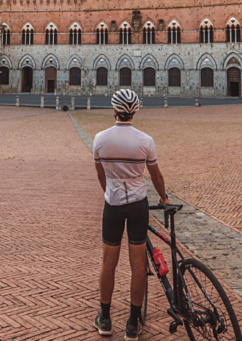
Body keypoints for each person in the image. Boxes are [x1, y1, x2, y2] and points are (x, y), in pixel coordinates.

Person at [92, 89, 168, 340]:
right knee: (137, 265)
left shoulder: (100, 140)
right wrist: (164, 197)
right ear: (134, 111)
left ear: (114, 110)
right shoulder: (146, 141)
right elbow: (156, 177)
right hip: (138, 204)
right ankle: (133, 325)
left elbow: (101, 175)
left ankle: (105, 320)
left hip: (112, 205)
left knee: (108, 263)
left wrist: (109, 192)